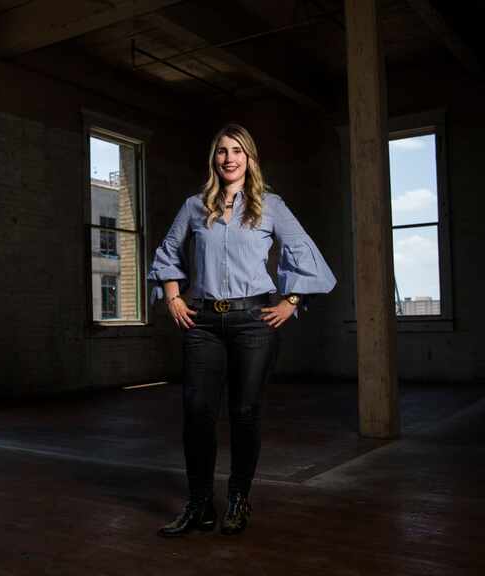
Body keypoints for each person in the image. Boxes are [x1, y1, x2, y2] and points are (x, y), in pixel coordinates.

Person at [148, 123, 336, 537]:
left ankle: (238, 499)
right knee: (198, 413)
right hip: (203, 323)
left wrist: (292, 301)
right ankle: (199, 505)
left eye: (237, 150)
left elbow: (305, 253)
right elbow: (167, 251)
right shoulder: (194, 206)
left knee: (245, 412)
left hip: (254, 322)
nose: (228, 158)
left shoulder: (271, 206)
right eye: (221, 151)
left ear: (249, 158)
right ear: (214, 159)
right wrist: (174, 296)